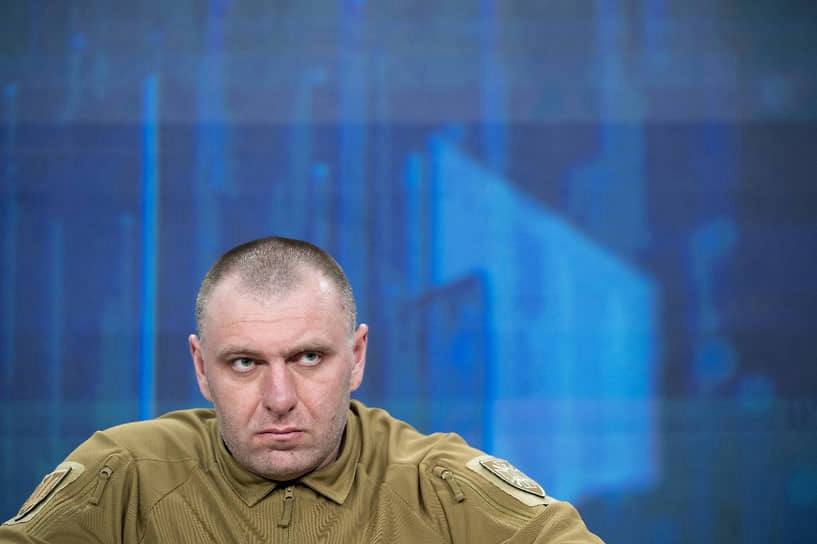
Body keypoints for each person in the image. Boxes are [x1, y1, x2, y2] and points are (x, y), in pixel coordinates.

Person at [1, 236, 603, 543]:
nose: (280, 397)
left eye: (309, 357)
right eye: (244, 363)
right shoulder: (122, 477)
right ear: (201, 367)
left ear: (357, 357)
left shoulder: (442, 490)